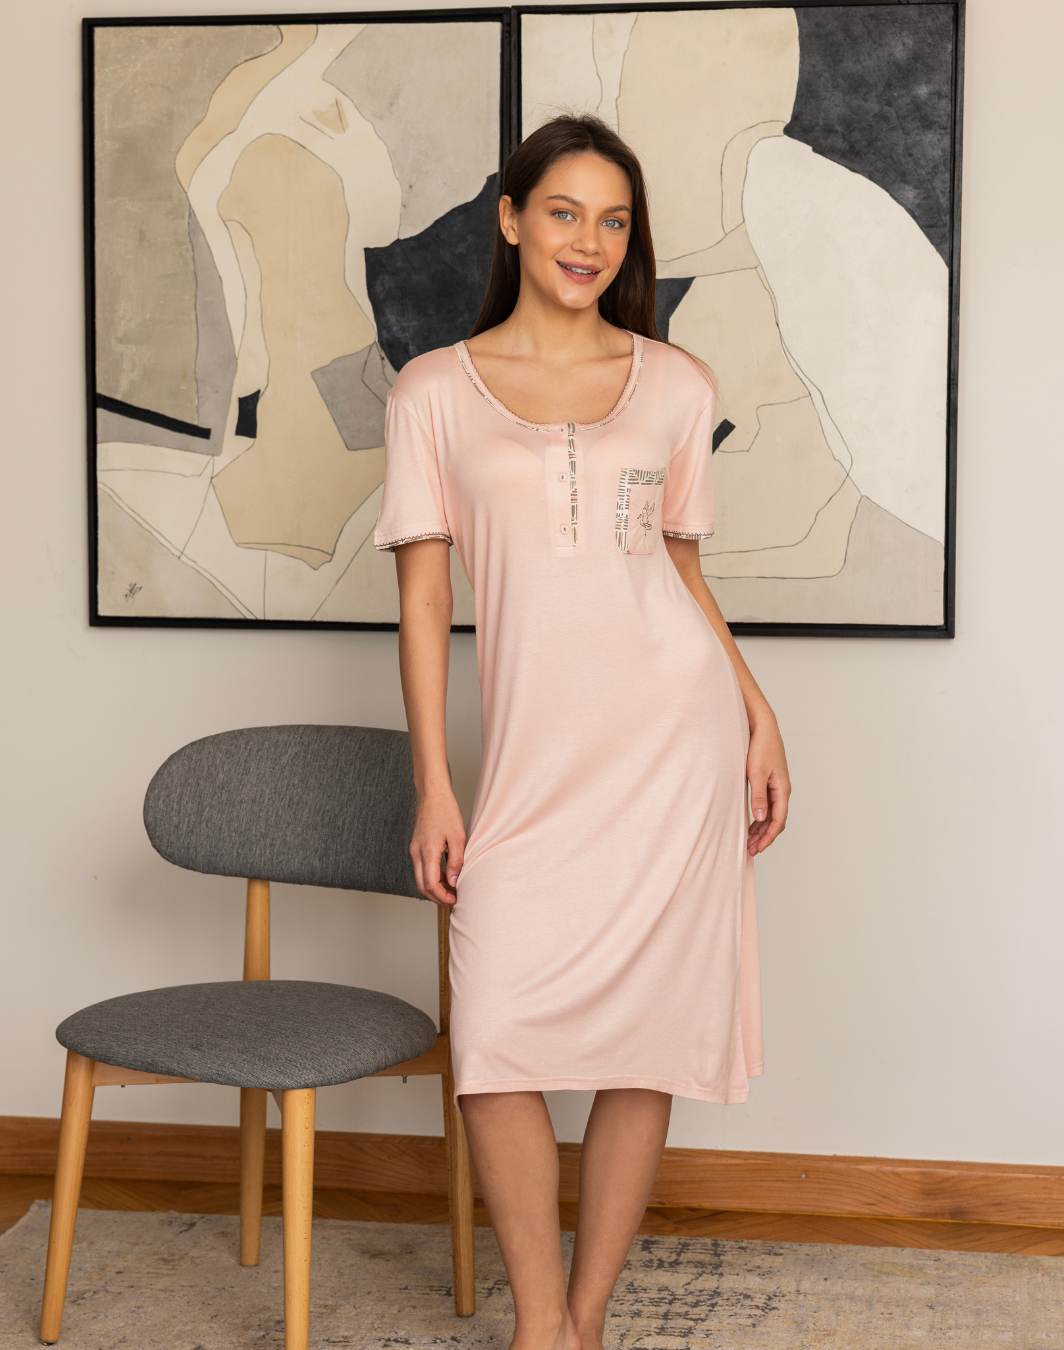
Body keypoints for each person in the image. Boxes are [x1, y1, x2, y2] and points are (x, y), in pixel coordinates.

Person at [374, 115, 791, 1350]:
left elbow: (682, 572)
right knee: (495, 1040)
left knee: (642, 1043)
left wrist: (758, 713)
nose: (589, 241)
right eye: (564, 211)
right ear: (511, 218)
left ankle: (580, 1323)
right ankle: (541, 1318)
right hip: (532, 765)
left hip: (676, 745)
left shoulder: (677, 384)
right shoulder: (431, 391)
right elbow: (424, 600)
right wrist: (435, 785)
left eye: (614, 220)